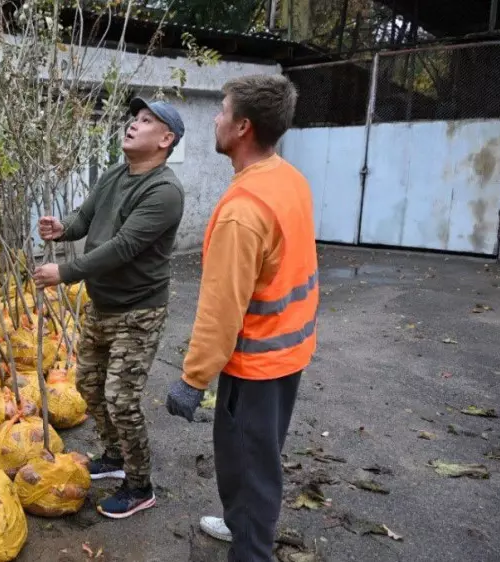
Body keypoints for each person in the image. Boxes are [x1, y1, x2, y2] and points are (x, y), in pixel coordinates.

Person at [165, 74, 318, 561]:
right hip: (289, 351)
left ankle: (251, 548)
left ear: (242, 127)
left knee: (248, 469)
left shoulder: (243, 210)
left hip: (256, 364)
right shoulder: (286, 177)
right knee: (259, 460)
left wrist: (193, 380)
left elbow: (221, 308)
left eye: (222, 110)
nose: (215, 117)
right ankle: (242, 525)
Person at [32, 98, 185, 519]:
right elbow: (84, 220)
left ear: (166, 139)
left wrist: (65, 272)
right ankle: (115, 454)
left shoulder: (164, 191)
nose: (133, 125)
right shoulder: (115, 174)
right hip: (102, 304)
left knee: (121, 398)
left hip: (139, 310)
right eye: (134, 118)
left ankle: (139, 485)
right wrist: (62, 227)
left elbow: (123, 248)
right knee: (88, 385)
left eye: (146, 121)